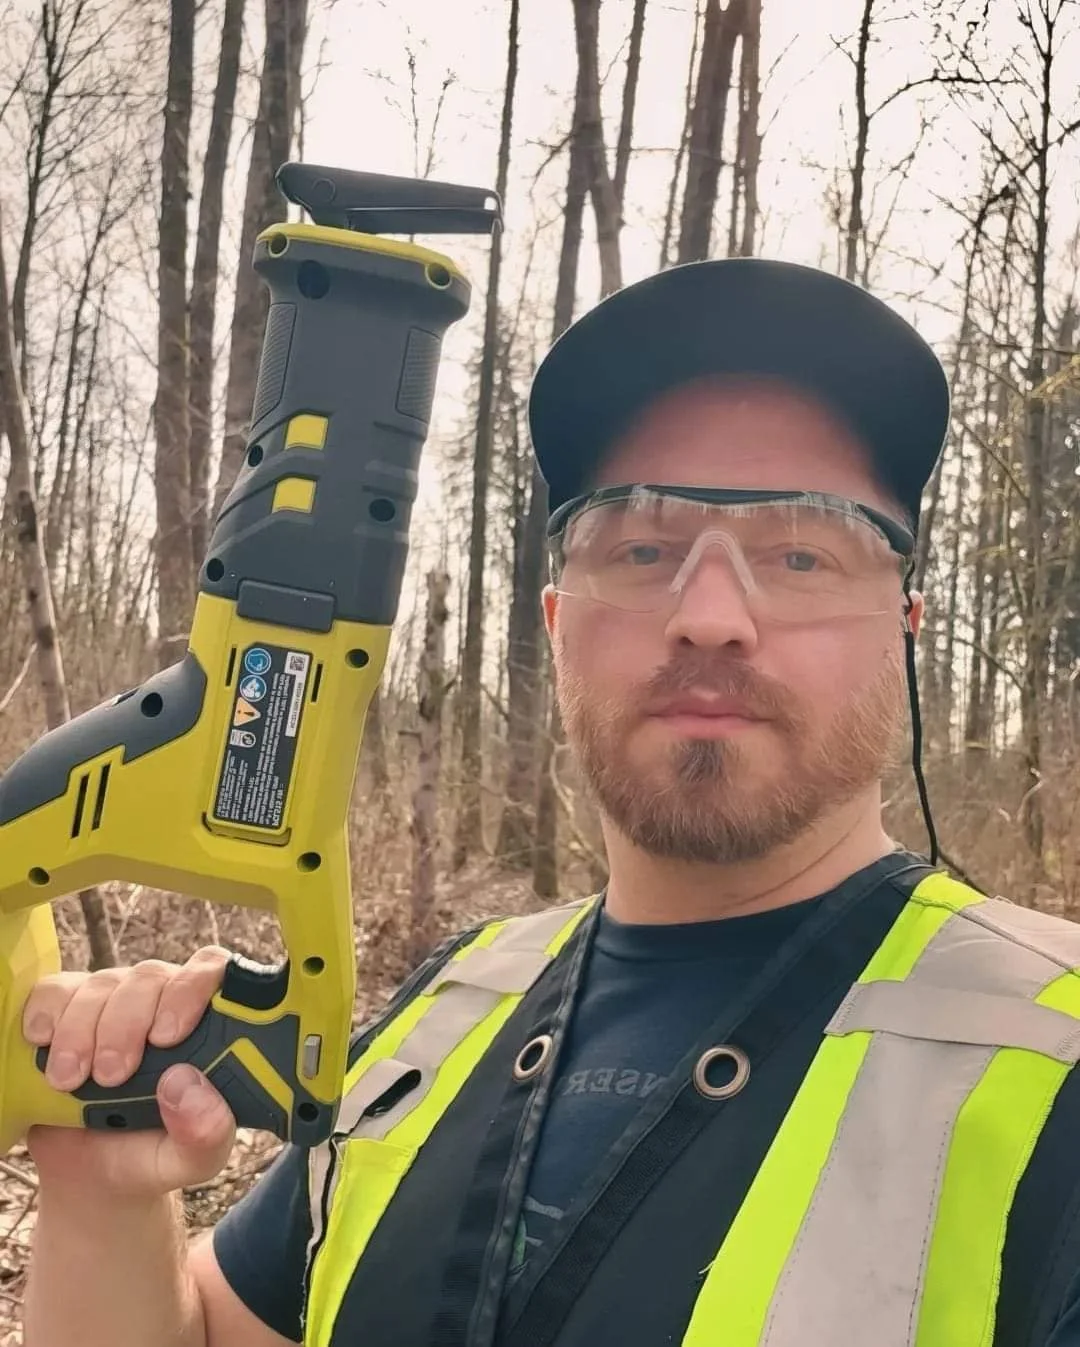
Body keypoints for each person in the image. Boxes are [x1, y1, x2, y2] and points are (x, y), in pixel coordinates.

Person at [20, 259, 1080, 1347]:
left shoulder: (1057, 1056)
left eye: (802, 552)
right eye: (643, 546)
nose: (710, 615)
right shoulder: (448, 1008)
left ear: (902, 631)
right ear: (558, 620)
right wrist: (105, 1195)